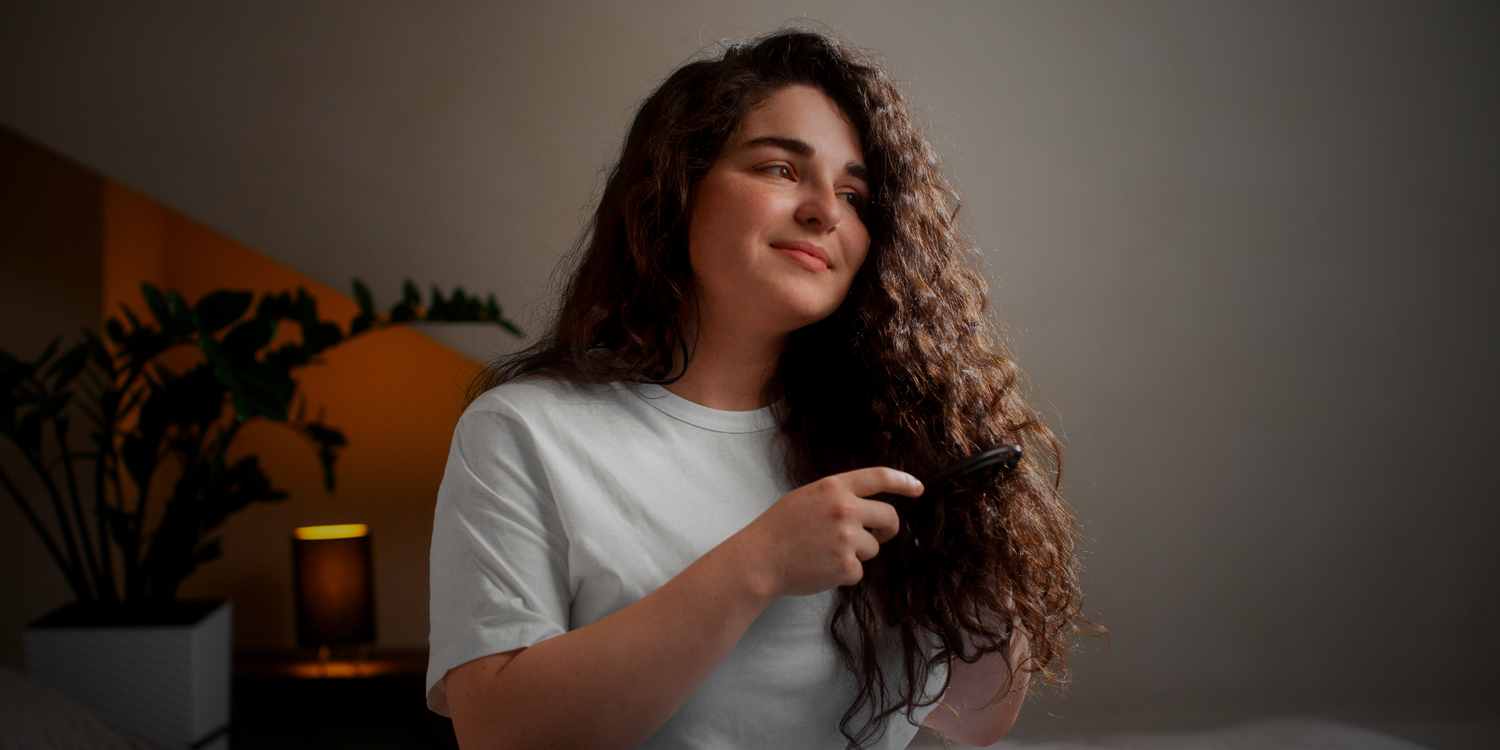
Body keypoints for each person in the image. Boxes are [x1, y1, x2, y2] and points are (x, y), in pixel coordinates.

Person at [426, 29, 1097, 750]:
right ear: (676, 189)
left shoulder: (896, 437)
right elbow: (497, 732)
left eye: (854, 195)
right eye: (780, 168)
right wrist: (760, 563)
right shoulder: (523, 432)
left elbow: (978, 717)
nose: (825, 211)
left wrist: (972, 549)